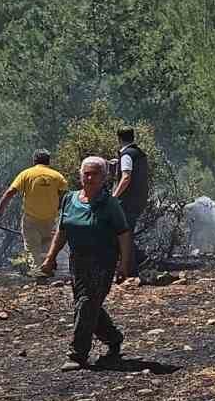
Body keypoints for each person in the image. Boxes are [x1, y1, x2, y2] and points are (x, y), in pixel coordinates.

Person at [40, 157, 132, 370]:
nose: (90, 178)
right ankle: (113, 337)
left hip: (102, 261)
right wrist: (50, 258)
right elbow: (62, 231)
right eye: (86, 173)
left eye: (95, 174)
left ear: (104, 177)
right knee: (87, 304)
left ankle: (77, 354)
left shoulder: (110, 204)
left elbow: (124, 234)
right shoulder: (70, 199)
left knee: (86, 303)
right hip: (78, 261)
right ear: (80, 175)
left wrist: (124, 264)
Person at [0, 150, 68, 273]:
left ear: (34, 161)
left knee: (32, 248)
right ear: (48, 161)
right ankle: (46, 268)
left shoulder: (26, 174)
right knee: (47, 245)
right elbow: (65, 195)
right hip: (51, 219)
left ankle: (38, 273)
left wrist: (0, 209)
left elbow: (10, 192)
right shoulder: (57, 176)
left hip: (31, 219)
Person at [113, 128, 150, 269]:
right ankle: (134, 264)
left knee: (122, 234)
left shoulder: (127, 155)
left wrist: (115, 196)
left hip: (127, 201)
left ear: (119, 139)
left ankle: (137, 263)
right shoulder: (140, 153)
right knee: (126, 233)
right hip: (139, 199)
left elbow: (126, 177)